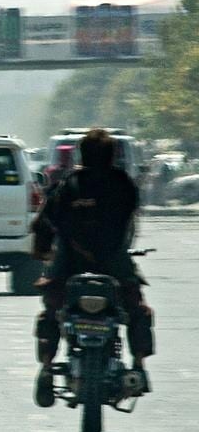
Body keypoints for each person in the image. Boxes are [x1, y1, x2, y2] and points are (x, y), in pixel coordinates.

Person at [32, 129, 154, 408]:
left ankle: (47, 367)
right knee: (137, 310)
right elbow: (129, 219)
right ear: (113, 155)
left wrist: (41, 252)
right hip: (114, 263)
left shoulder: (67, 185)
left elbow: (43, 224)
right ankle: (138, 366)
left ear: (80, 154)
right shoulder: (123, 184)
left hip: (68, 265)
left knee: (51, 311)